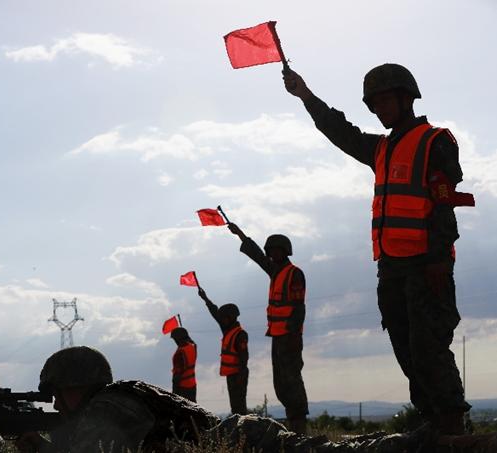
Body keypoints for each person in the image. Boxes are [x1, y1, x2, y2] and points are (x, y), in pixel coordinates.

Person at [282, 63, 472, 434]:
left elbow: (444, 204)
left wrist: (437, 260)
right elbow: (340, 131)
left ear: (406, 98)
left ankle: (452, 423)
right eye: (374, 104)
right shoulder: (381, 149)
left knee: (428, 347)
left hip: (426, 265)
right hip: (391, 268)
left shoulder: (436, 141)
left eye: (384, 101)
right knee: (406, 349)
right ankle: (432, 420)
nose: (378, 110)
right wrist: (306, 95)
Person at [15, 345, 218, 453]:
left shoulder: (108, 407)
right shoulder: (117, 399)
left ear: (78, 386)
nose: (56, 405)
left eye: (58, 394)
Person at [227, 226, 309, 434]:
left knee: (292, 381)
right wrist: (241, 235)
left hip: (289, 337)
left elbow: (299, 307)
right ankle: (294, 429)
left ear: (285, 251)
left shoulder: (294, 273)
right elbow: (257, 257)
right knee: (281, 384)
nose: (272, 254)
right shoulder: (275, 271)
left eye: (276, 250)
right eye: (270, 250)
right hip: (277, 336)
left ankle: (299, 428)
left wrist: (293, 334)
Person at [197, 289, 249, 415]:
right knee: (235, 407)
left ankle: (243, 432)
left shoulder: (240, 334)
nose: (222, 320)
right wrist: (205, 299)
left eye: (224, 318)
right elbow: (215, 312)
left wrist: (240, 378)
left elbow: (244, 358)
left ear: (231, 318)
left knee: (239, 407)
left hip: (238, 374)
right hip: (232, 374)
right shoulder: (227, 330)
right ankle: (239, 430)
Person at [170, 327, 197, 402]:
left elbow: (178, 374)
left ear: (178, 338)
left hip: (182, 387)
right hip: (192, 384)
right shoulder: (193, 347)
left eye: (175, 339)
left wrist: (174, 392)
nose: (175, 341)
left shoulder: (180, 352)